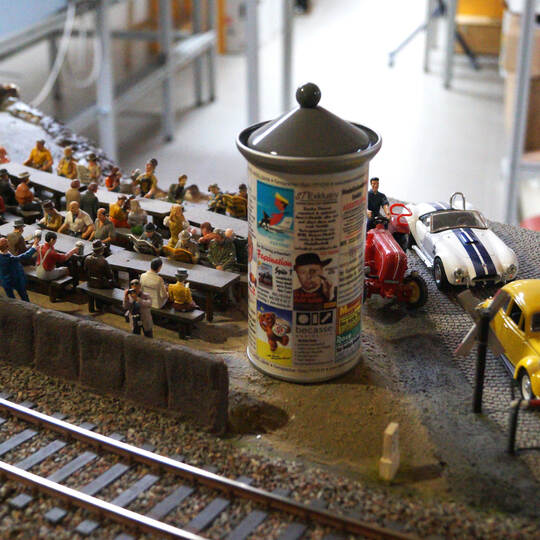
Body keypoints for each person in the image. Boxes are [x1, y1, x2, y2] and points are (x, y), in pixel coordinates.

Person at [0, 236, 38, 301]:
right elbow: (25, 256)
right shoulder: (10, 258)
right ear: (7, 246)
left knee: (11, 298)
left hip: (5, 280)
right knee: (24, 296)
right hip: (16, 279)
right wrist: (34, 246)